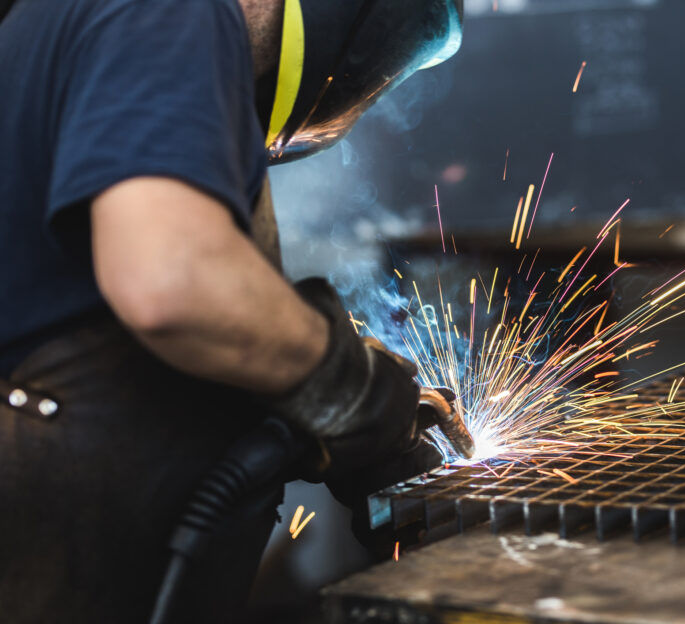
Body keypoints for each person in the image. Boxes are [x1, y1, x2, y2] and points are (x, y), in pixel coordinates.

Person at [0, 0, 463, 621]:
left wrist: (314, 411)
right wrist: (348, 387)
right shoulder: (167, 11)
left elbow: (108, 321)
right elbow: (172, 285)